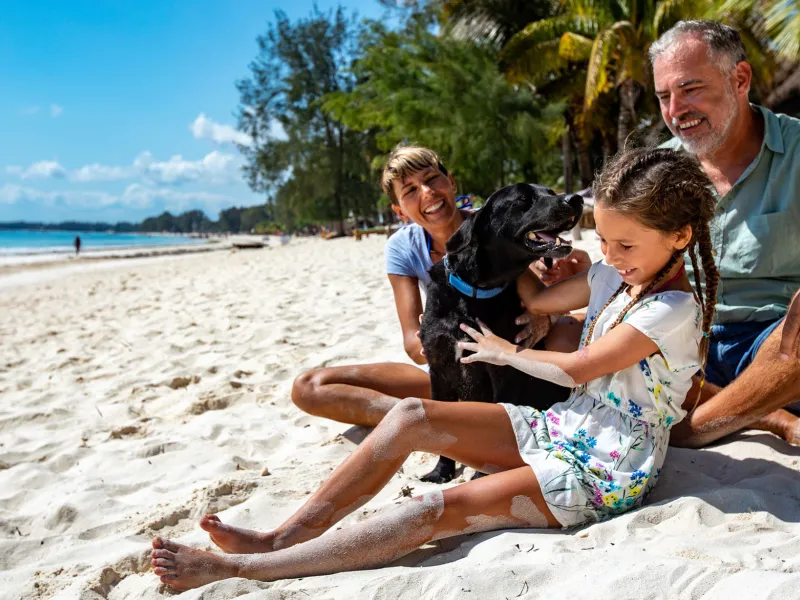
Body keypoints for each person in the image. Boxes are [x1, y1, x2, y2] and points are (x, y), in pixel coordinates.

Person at [150, 147, 718, 590]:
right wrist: (537, 282)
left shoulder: (672, 309)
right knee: (410, 415)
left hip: (607, 465)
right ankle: (279, 537)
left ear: (679, 237)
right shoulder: (610, 277)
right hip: (563, 426)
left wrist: (511, 352)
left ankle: (246, 572)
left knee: (434, 509)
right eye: (603, 241)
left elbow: (580, 367)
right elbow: (535, 300)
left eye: (624, 245)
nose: (610, 256)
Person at [290, 146, 568, 433]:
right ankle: (437, 417)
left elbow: (546, 301)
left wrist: (546, 319)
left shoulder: (495, 228)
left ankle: (441, 418)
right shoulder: (403, 247)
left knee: (567, 333)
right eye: (410, 190)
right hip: (451, 369)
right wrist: (443, 342)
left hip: (508, 370)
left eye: (432, 178)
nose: (427, 192)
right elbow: (412, 340)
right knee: (308, 387)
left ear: (451, 182)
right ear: (399, 211)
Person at [645, 20, 800, 447]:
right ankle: (765, 415)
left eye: (690, 89)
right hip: (685, 346)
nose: (676, 110)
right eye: (663, 96)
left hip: (776, 348)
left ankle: (695, 427)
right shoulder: (657, 172)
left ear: (740, 79)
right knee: (567, 333)